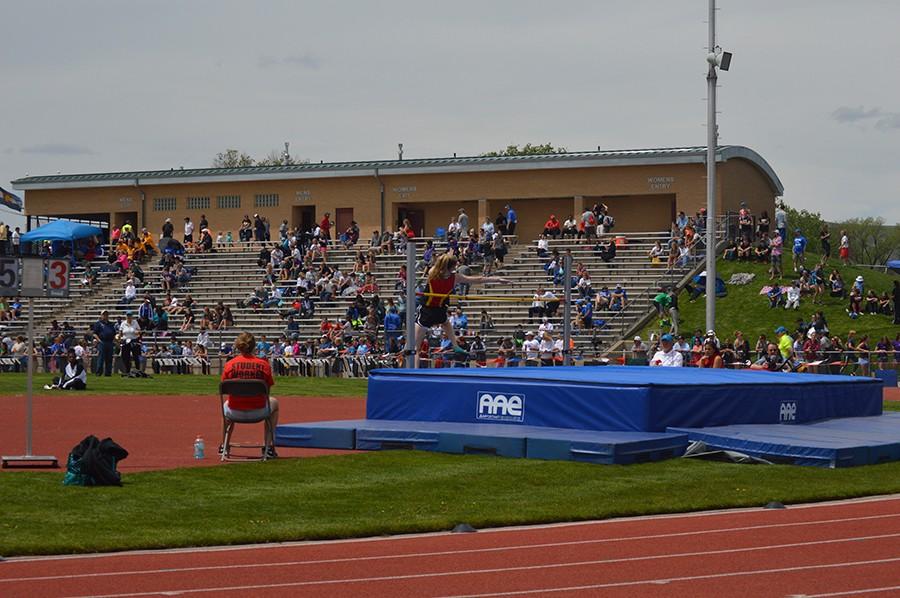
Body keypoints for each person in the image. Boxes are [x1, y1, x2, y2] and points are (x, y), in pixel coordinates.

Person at [413, 253, 509, 367]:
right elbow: (478, 279)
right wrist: (497, 279)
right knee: (446, 323)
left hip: (427, 310)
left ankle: (413, 369)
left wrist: (447, 256)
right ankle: (455, 345)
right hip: (440, 310)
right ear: (451, 267)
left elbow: (438, 263)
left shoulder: (432, 273)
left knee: (415, 348)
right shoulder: (455, 277)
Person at [221, 332, 279, 458]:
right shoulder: (263, 364)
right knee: (274, 403)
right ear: (254, 347)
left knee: (225, 405)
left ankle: (224, 446)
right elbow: (267, 390)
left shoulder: (229, 364)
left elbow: (224, 386)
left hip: (234, 411)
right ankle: (267, 447)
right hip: (258, 411)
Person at [92, 310, 117, 376]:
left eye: (106, 314)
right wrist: (98, 340)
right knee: (101, 358)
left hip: (110, 342)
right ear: (101, 315)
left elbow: (114, 333)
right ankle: (98, 372)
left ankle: (108, 373)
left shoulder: (111, 324)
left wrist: (116, 340)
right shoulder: (98, 324)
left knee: (109, 359)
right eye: (104, 314)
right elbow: (94, 333)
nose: (105, 316)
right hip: (102, 342)